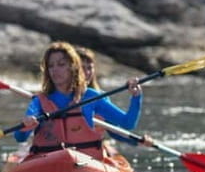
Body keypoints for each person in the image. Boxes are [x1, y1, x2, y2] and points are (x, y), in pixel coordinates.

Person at [14, 42, 143, 160]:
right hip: (48, 162)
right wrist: (26, 125)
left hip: (86, 162)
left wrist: (136, 97)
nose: (55, 70)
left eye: (61, 64)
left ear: (73, 67)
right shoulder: (40, 101)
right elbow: (20, 138)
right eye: (50, 66)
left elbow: (128, 123)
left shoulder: (92, 97)